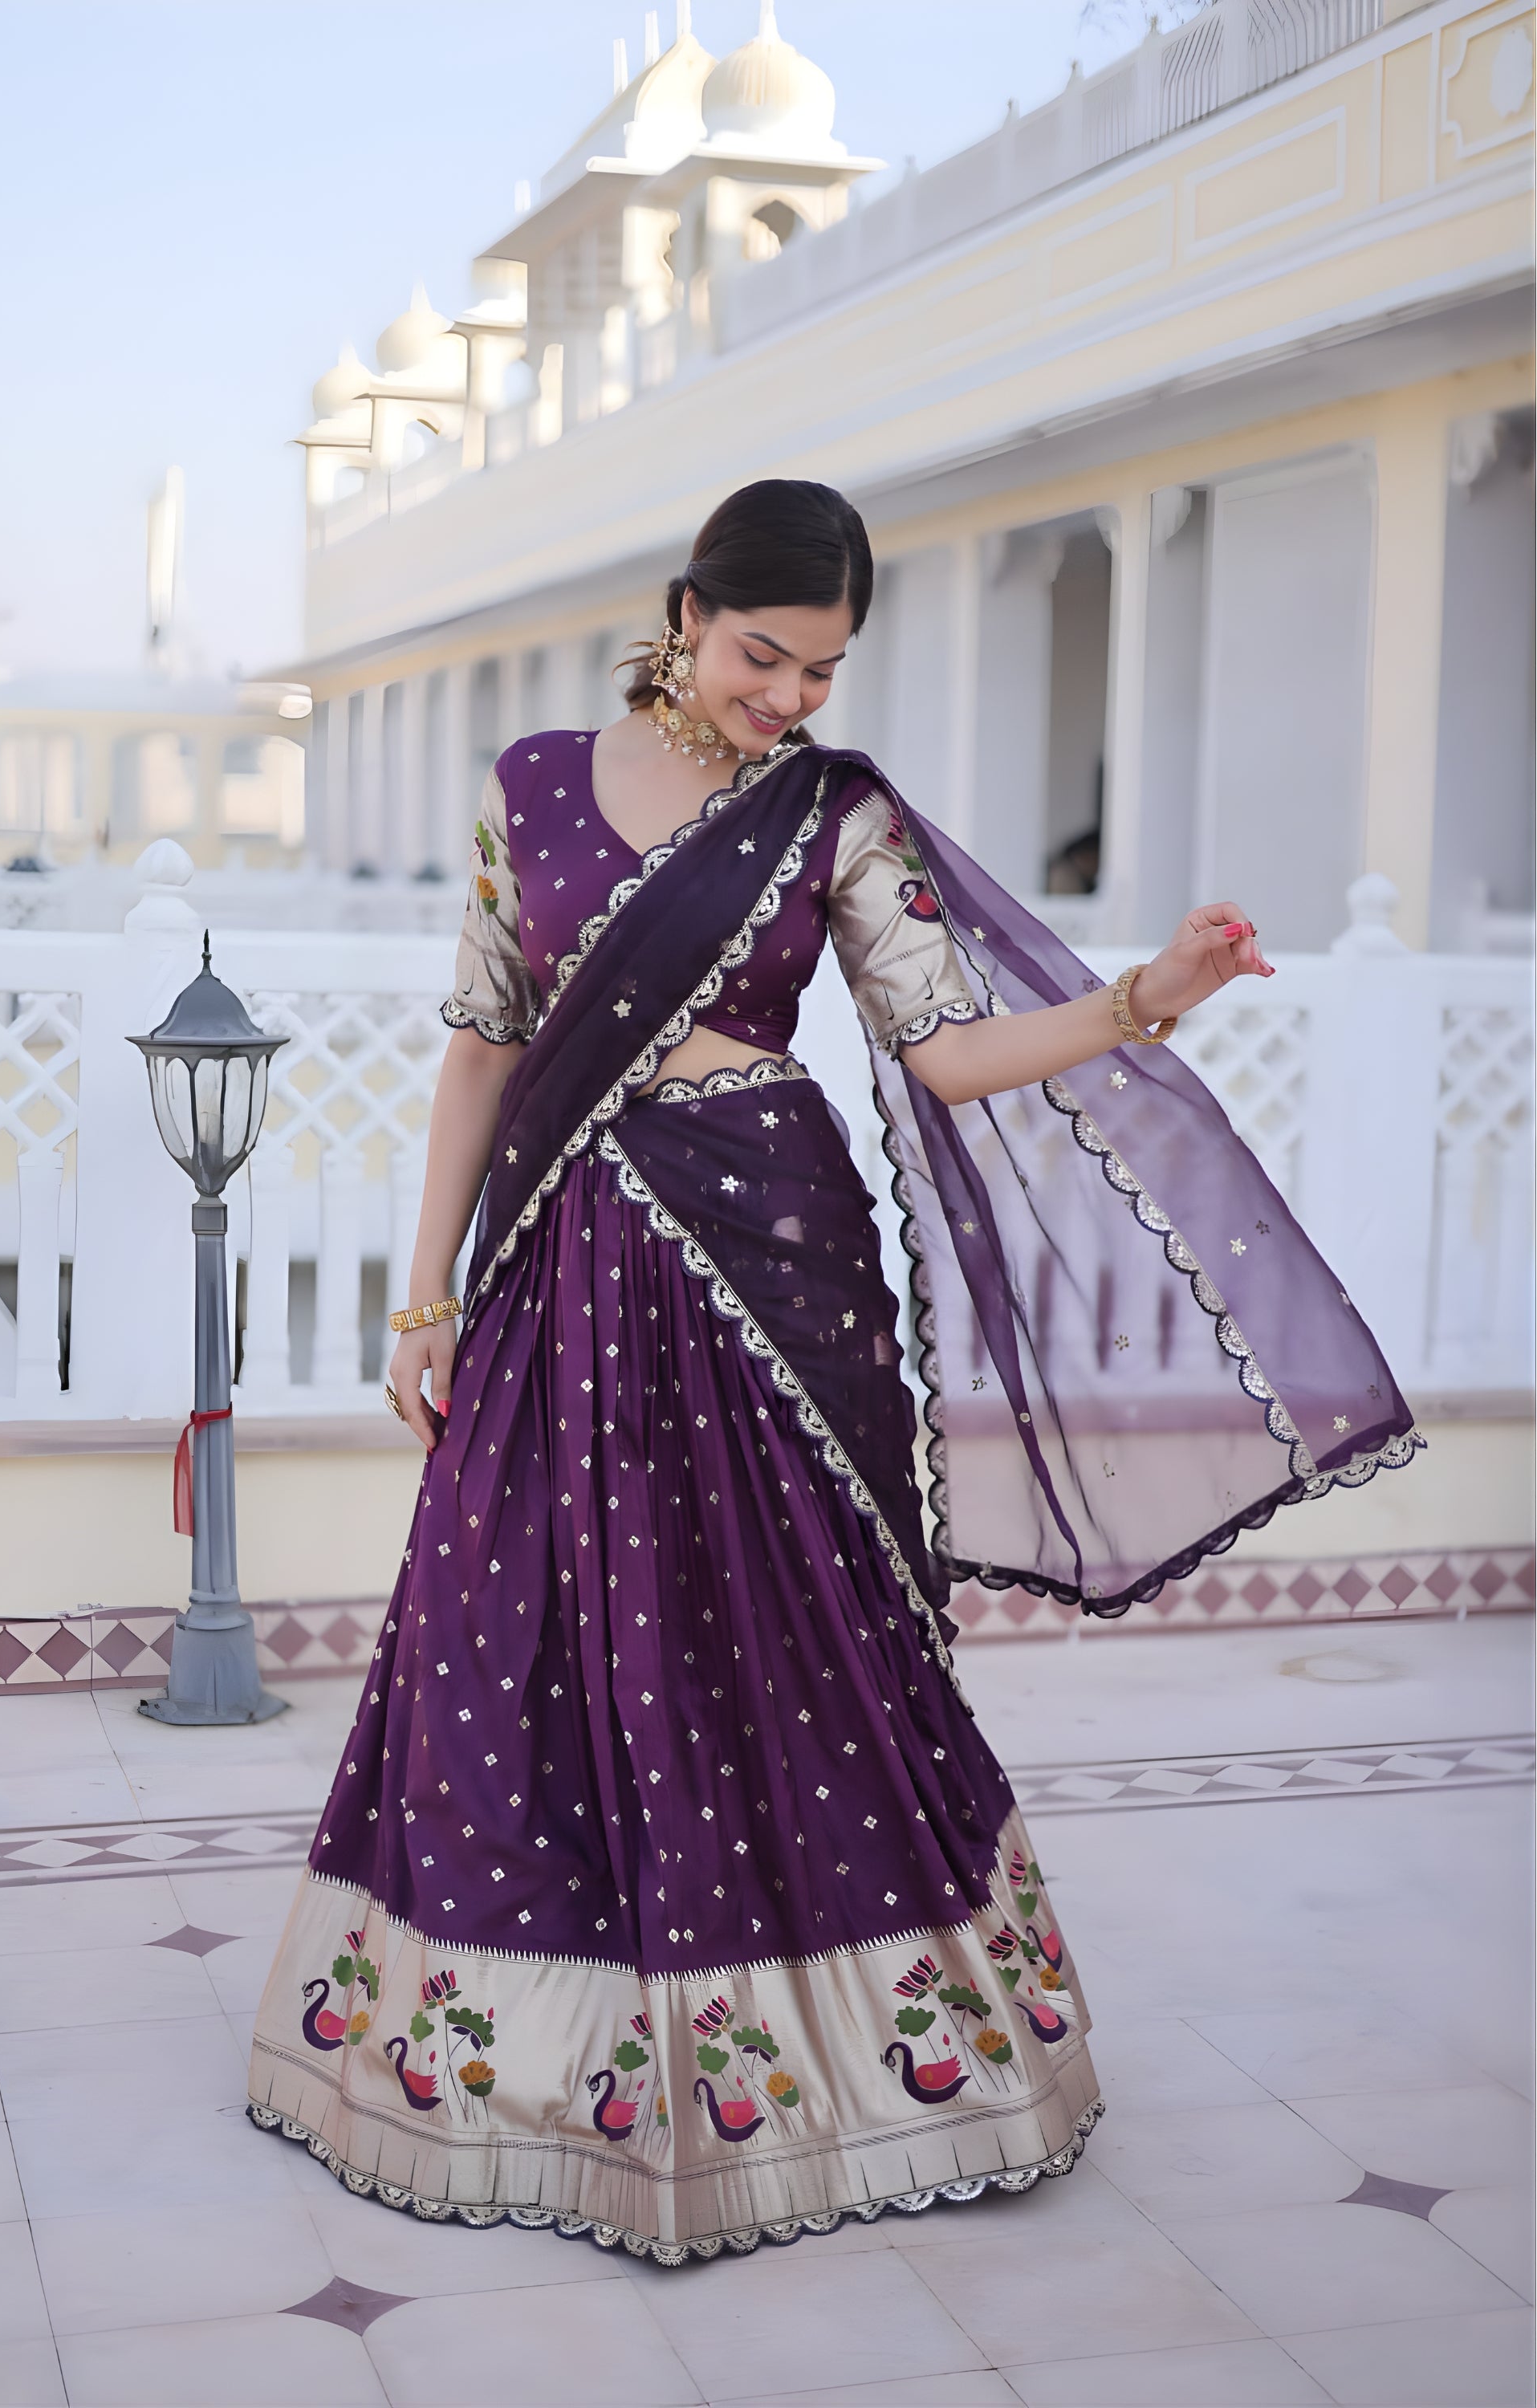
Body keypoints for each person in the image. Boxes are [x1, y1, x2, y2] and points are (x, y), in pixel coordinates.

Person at [247, 480, 1418, 2264]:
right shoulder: (530, 787)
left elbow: (945, 1051)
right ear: (687, 613)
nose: (787, 697)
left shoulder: (831, 812)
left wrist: (1150, 994)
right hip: (560, 1261)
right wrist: (427, 1303)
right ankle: (515, 2060)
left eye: (821, 670)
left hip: (772, 1262)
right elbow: (485, 1047)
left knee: (786, 1634)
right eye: (761, 656)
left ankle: (848, 2061)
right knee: (520, 1622)